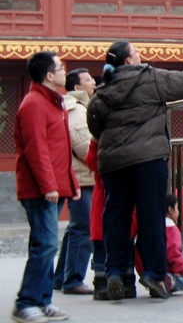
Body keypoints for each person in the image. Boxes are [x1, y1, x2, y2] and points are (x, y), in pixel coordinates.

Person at [88, 35, 183, 300]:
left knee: (116, 214)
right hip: (148, 159)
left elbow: (94, 122)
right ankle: (154, 273)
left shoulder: (103, 90)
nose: (141, 55)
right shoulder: (150, 78)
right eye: (137, 52)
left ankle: (115, 271)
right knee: (151, 214)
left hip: (114, 162)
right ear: (129, 60)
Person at [12, 51, 79, 323]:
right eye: (60, 68)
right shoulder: (34, 104)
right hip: (40, 189)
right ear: (49, 75)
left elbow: (62, 149)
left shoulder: (54, 103)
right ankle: (26, 302)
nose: (65, 72)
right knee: (45, 244)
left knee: (46, 245)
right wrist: (48, 186)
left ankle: (43, 301)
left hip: (54, 185)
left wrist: (71, 183)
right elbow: (36, 150)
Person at [53, 69, 97, 296]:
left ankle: (61, 277)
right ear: (77, 88)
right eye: (89, 80)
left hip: (81, 176)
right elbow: (83, 146)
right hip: (82, 177)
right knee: (82, 228)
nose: (93, 82)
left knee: (74, 229)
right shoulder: (76, 111)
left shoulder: (80, 108)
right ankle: (73, 279)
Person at [135, 194, 183, 294]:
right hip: (164, 270)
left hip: (144, 269)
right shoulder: (171, 230)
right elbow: (173, 254)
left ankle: (156, 282)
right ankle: (165, 281)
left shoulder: (150, 227)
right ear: (170, 210)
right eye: (177, 208)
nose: (178, 211)